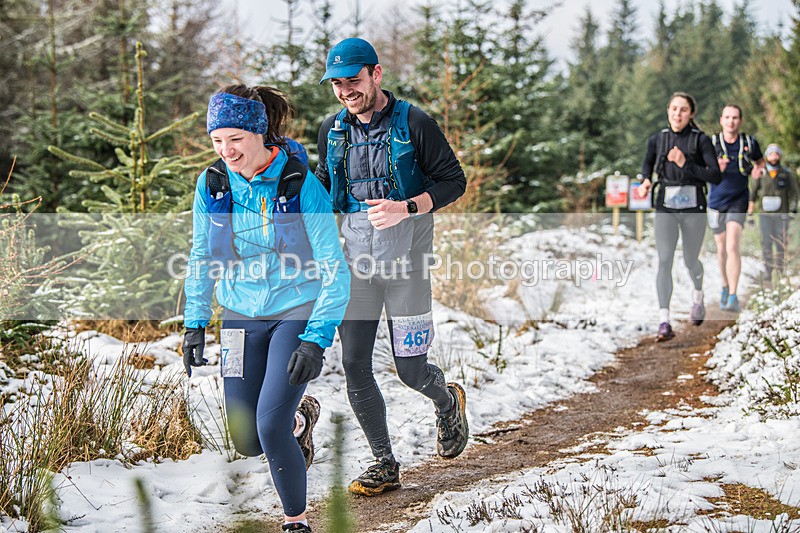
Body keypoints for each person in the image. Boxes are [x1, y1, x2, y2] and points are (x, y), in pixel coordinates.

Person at [181, 85, 350, 533]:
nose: (226, 150)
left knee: (269, 426)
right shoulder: (212, 183)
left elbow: (336, 269)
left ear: (259, 133)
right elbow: (201, 255)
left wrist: (317, 338)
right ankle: (301, 420)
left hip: (294, 309)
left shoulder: (300, 184)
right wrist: (195, 323)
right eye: (217, 140)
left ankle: (296, 521)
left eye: (234, 138)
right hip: (238, 315)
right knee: (247, 439)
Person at [315, 37, 469, 496]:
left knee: (410, 369)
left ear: (376, 75)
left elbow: (453, 181)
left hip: (409, 263)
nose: (346, 91)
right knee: (355, 362)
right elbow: (324, 184)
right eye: (338, 84)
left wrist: (408, 207)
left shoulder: (415, 122)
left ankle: (447, 400)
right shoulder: (332, 129)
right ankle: (384, 462)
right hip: (357, 262)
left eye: (354, 81)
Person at [639, 92, 721, 342]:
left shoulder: (701, 141)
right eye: (674, 109)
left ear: (691, 114)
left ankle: (697, 294)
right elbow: (647, 166)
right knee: (664, 260)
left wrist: (686, 163)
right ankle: (664, 320)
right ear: (668, 111)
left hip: (693, 209)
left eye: (683, 110)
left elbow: (715, 176)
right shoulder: (658, 140)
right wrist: (644, 182)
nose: (678, 114)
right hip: (666, 207)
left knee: (690, 260)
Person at [707, 105, 764, 312]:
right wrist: (715, 168)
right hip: (715, 201)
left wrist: (758, 171)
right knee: (721, 249)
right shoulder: (711, 143)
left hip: (738, 199)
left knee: (732, 246)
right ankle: (724, 285)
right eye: (727, 117)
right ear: (721, 120)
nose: (731, 121)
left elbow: (760, 163)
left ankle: (733, 294)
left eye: (735, 117)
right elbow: (701, 169)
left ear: (740, 121)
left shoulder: (749, 143)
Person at [748, 143, 799, 286]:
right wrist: (750, 213)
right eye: (771, 154)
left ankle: (780, 269)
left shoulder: (786, 173)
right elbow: (752, 193)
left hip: (781, 214)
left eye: (776, 154)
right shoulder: (761, 173)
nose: (773, 157)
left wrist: (793, 210)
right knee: (766, 242)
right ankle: (768, 270)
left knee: (781, 242)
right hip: (765, 214)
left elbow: (794, 193)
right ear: (767, 156)